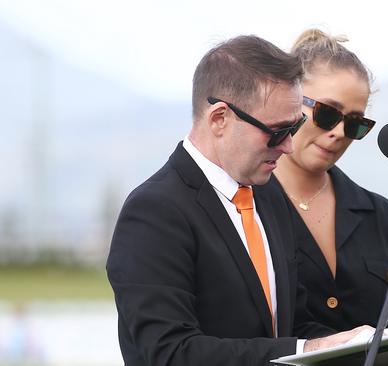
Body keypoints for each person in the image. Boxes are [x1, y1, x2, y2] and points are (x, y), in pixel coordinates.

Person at [106, 34, 369, 366]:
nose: (287, 146)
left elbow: (289, 327)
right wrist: (306, 350)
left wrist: (359, 347)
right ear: (219, 119)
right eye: (276, 131)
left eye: (294, 127)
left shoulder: (269, 196)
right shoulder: (153, 213)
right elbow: (170, 353)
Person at [271, 29, 388, 331]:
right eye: (327, 114)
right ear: (287, 99)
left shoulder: (384, 218)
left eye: (356, 123)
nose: (340, 132)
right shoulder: (242, 207)